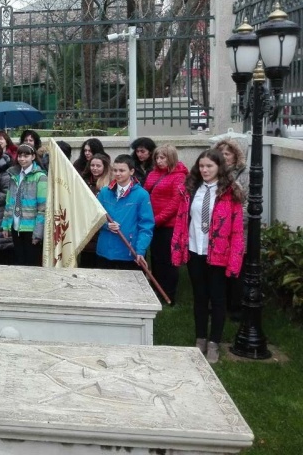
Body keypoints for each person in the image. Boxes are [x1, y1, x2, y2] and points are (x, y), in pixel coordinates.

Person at [171, 149, 245, 364]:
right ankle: (201, 338)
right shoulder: (191, 189)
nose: (204, 170)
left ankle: (214, 342)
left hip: (218, 254)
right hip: (196, 251)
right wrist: (178, 248)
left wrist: (234, 260)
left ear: (219, 167)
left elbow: (237, 231)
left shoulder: (230, 193)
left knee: (218, 298)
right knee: (200, 297)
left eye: (209, 166)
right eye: (201, 166)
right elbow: (182, 220)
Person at [142, 145, 188, 304]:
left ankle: (169, 293)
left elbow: (175, 203)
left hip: (168, 225)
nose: (159, 161)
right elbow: (145, 193)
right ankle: (157, 289)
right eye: (157, 157)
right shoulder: (152, 174)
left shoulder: (179, 176)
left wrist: (157, 220)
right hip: (153, 223)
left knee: (168, 260)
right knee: (155, 258)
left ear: (171, 158)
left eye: (163, 158)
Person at [95, 154, 154, 270]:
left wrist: (140, 250)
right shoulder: (104, 192)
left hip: (128, 252)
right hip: (105, 251)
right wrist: (106, 225)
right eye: (115, 170)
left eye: (122, 170)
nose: (117, 174)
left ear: (131, 171)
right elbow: (95, 217)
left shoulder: (141, 195)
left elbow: (146, 226)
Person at [214, 137, 248, 320]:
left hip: (237, 229)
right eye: (220, 153)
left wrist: (233, 222)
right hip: (217, 231)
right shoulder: (215, 173)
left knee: (236, 268)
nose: (223, 156)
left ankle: (235, 307)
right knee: (217, 269)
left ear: (235, 156)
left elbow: (248, 203)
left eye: (227, 153)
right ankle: (219, 303)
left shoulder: (244, 173)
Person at [1, 144, 47, 266]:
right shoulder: (14, 175)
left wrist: (38, 233)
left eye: (26, 156)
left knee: (31, 264)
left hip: (31, 228)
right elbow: (9, 202)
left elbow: (42, 208)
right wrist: (5, 225)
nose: (22, 159)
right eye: (20, 156)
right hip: (15, 226)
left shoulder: (40, 177)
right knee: (19, 262)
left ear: (33, 157)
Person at [78, 153, 112, 268]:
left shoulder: (110, 185)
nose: (95, 168)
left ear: (105, 167)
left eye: (98, 166)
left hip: (102, 227)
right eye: (92, 165)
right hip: (86, 227)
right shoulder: (83, 181)